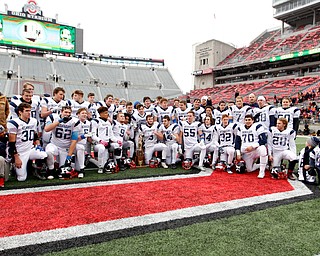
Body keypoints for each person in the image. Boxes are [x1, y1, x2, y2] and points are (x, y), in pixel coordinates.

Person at [7, 103, 47, 181]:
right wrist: (16, 157)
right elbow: (11, 143)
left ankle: (36, 171)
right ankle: (14, 168)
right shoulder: (14, 123)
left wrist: (38, 145)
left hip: (30, 149)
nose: (29, 113)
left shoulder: (33, 121)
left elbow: (35, 135)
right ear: (20, 112)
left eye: (30, 110)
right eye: (26, 111)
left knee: (43, 154)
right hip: (20, 152)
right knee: (21, 178)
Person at [44, 105, 80, 179]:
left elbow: (74, 140)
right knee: (49, 152)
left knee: (63, 170)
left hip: (65, 148)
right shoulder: (53, 117)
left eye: (69, 113)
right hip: (54, 144)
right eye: (65, 112)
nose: (67, 114)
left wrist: (69, 156)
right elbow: (47, 129)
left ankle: (58, 165)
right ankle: (51, 170)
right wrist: (59, 121)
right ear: (61, 112)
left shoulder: (75, 121)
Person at [235, 114, 268, 178]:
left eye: (249, 120)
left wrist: (253, 146)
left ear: (253, 120)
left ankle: (262, 172)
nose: (247, 121)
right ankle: (260, 165)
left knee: (263, 149)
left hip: (255, 150)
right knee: (249, 169)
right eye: (246, 120)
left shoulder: (257, 126)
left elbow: (264, 140)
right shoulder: (240, 128)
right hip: (246, 151)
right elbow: (237, 141)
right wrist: (238, 153)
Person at [91, 106, 118, 173]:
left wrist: (117, 141)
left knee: (117, 146)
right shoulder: (95, 121)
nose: (107, 114)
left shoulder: (108, 122)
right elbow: (93, 135)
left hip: (107, 143)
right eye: (105, 113)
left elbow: (111, 136)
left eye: (107, 113)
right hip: (98, 144)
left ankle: (117, 163)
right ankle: (100, 167)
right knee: (102, 148)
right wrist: (100, 141)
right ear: (101, 114)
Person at [75, 108, 92, 178]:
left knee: (77, 168)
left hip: (83, 144)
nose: (84, 114)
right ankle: (82, 170)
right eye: (82, 113)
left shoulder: (88, 123)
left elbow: (89, 137)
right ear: (78, 114)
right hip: (73, 144)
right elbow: (74, 138)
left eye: (85, 113)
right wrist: (83, 136)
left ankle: (80, 167)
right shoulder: (75, 122)